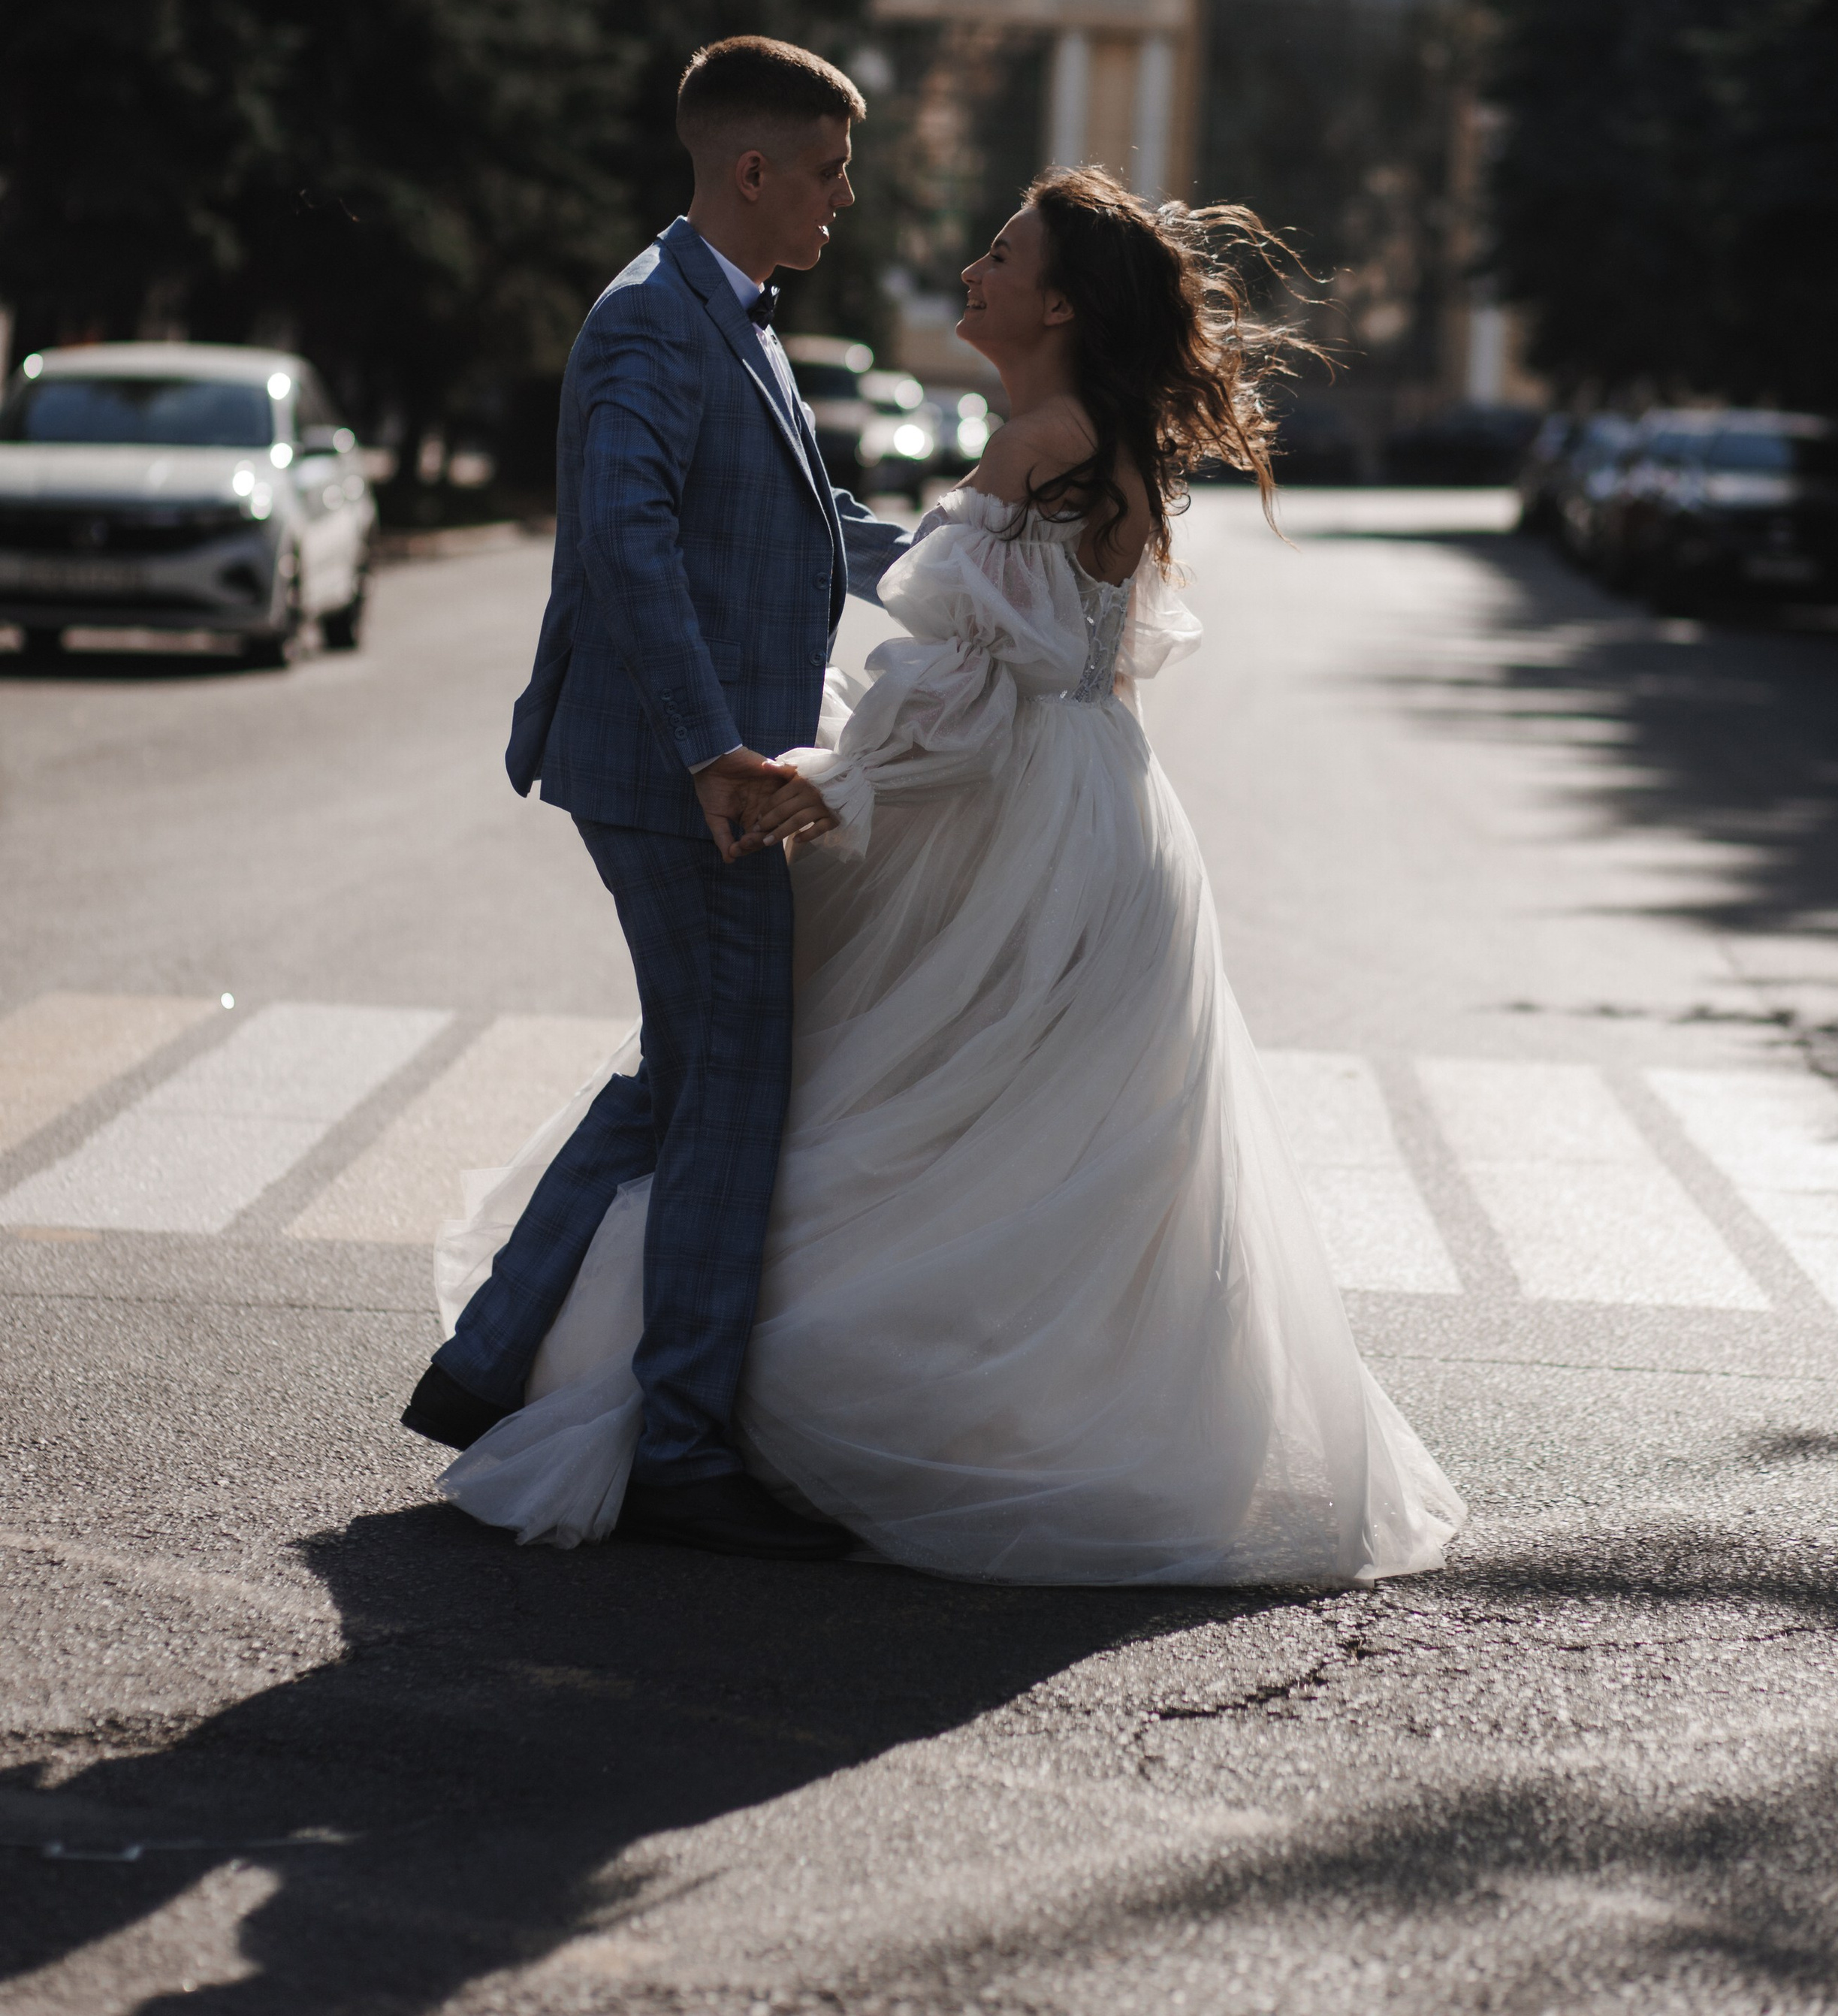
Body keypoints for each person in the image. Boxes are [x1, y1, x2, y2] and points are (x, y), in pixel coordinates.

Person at [425, 166, 1465, 1586]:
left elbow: (961, 693)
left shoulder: (1032, 442)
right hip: (1102, 823)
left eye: (997, 253)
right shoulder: (1095, 434)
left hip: (1011, 823)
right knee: (1020, 1149)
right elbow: (1035, 654)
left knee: (821, 1099)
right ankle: (1043, 1426)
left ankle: (706, 1414)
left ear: (1055, 302)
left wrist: (828, 782)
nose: (968, 270)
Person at [400, 36, 915, 1562]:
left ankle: (491, 1363)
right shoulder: (647, 321)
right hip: (688, 775)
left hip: (701, 764)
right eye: (825, 172)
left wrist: (973, 561)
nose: (841, 202)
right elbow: (621, 547)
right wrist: (709, 751)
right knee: (729, 1094)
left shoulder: (727, 310)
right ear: (750, 169)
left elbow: (796, 518)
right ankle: (682, 1450)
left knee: (681, 1078)